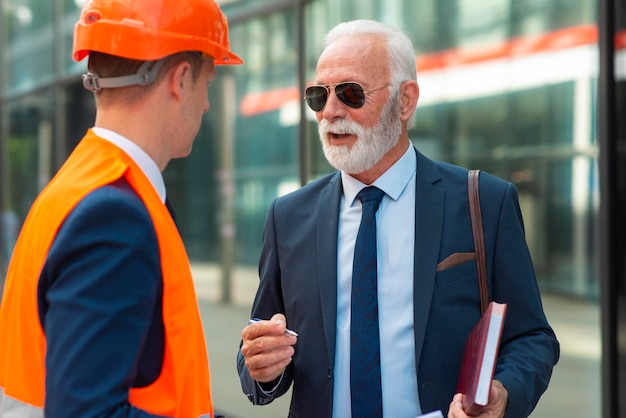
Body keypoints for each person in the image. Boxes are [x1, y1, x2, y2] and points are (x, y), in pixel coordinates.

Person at [237, 19, 559, 418]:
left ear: (405, 101)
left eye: (351, 93)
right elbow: (260, 345)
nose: (331, 111)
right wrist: (261, 367)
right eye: (318, 96)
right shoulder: (288, 217)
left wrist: (504, 394)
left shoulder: (485, 202)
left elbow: (532, 337)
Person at [0, 0, 242, 417]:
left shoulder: (81, 183)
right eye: (209, 82)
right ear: (181, 79)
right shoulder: (115, 216)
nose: (205, 104)